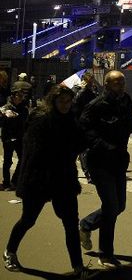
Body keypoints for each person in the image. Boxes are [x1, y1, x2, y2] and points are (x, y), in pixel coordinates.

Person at [3, 85, 92, 278]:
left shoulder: (71, 119)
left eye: (69, 101)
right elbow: (34, 150)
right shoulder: (41, 118)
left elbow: (80, 141)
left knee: (70, 223)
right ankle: (10, 251)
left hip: (63, 179)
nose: (66, 105)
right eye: (62, 101)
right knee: (28, 219)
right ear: (53, 101)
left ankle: (78, 266)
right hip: (39, 178)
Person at [79, 70, 132, 268]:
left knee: (119, 206)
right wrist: (106, 146)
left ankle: (86, 224)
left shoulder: (125, 101)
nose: (121, 86)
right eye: (117, 83)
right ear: (106, 84)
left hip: (119, 162)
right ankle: (106, 254)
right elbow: (85, 131)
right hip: (99, 162)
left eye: (122, 83)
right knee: (111, 207)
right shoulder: (96, 106)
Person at [72, 72, 99, 184]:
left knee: (82, 149)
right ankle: (88, 173)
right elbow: (74, 106)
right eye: (90, 79)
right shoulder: (79, 90)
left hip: (87, 123)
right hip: (80, 123)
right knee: (82, 149)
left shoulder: (91, 91)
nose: (92, 81)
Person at [0, 87, 29, 191]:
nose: (21, 98)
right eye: (18, 96)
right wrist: (4, 116)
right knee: (8, 161)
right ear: (13, 96)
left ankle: (15, 181)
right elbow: (1, 122)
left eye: (22, 96)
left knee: (23, 158)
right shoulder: (6, 107)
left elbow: (26, 122)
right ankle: (6, 183)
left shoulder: (24, 108)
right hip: (8, 136)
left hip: (19, 136)